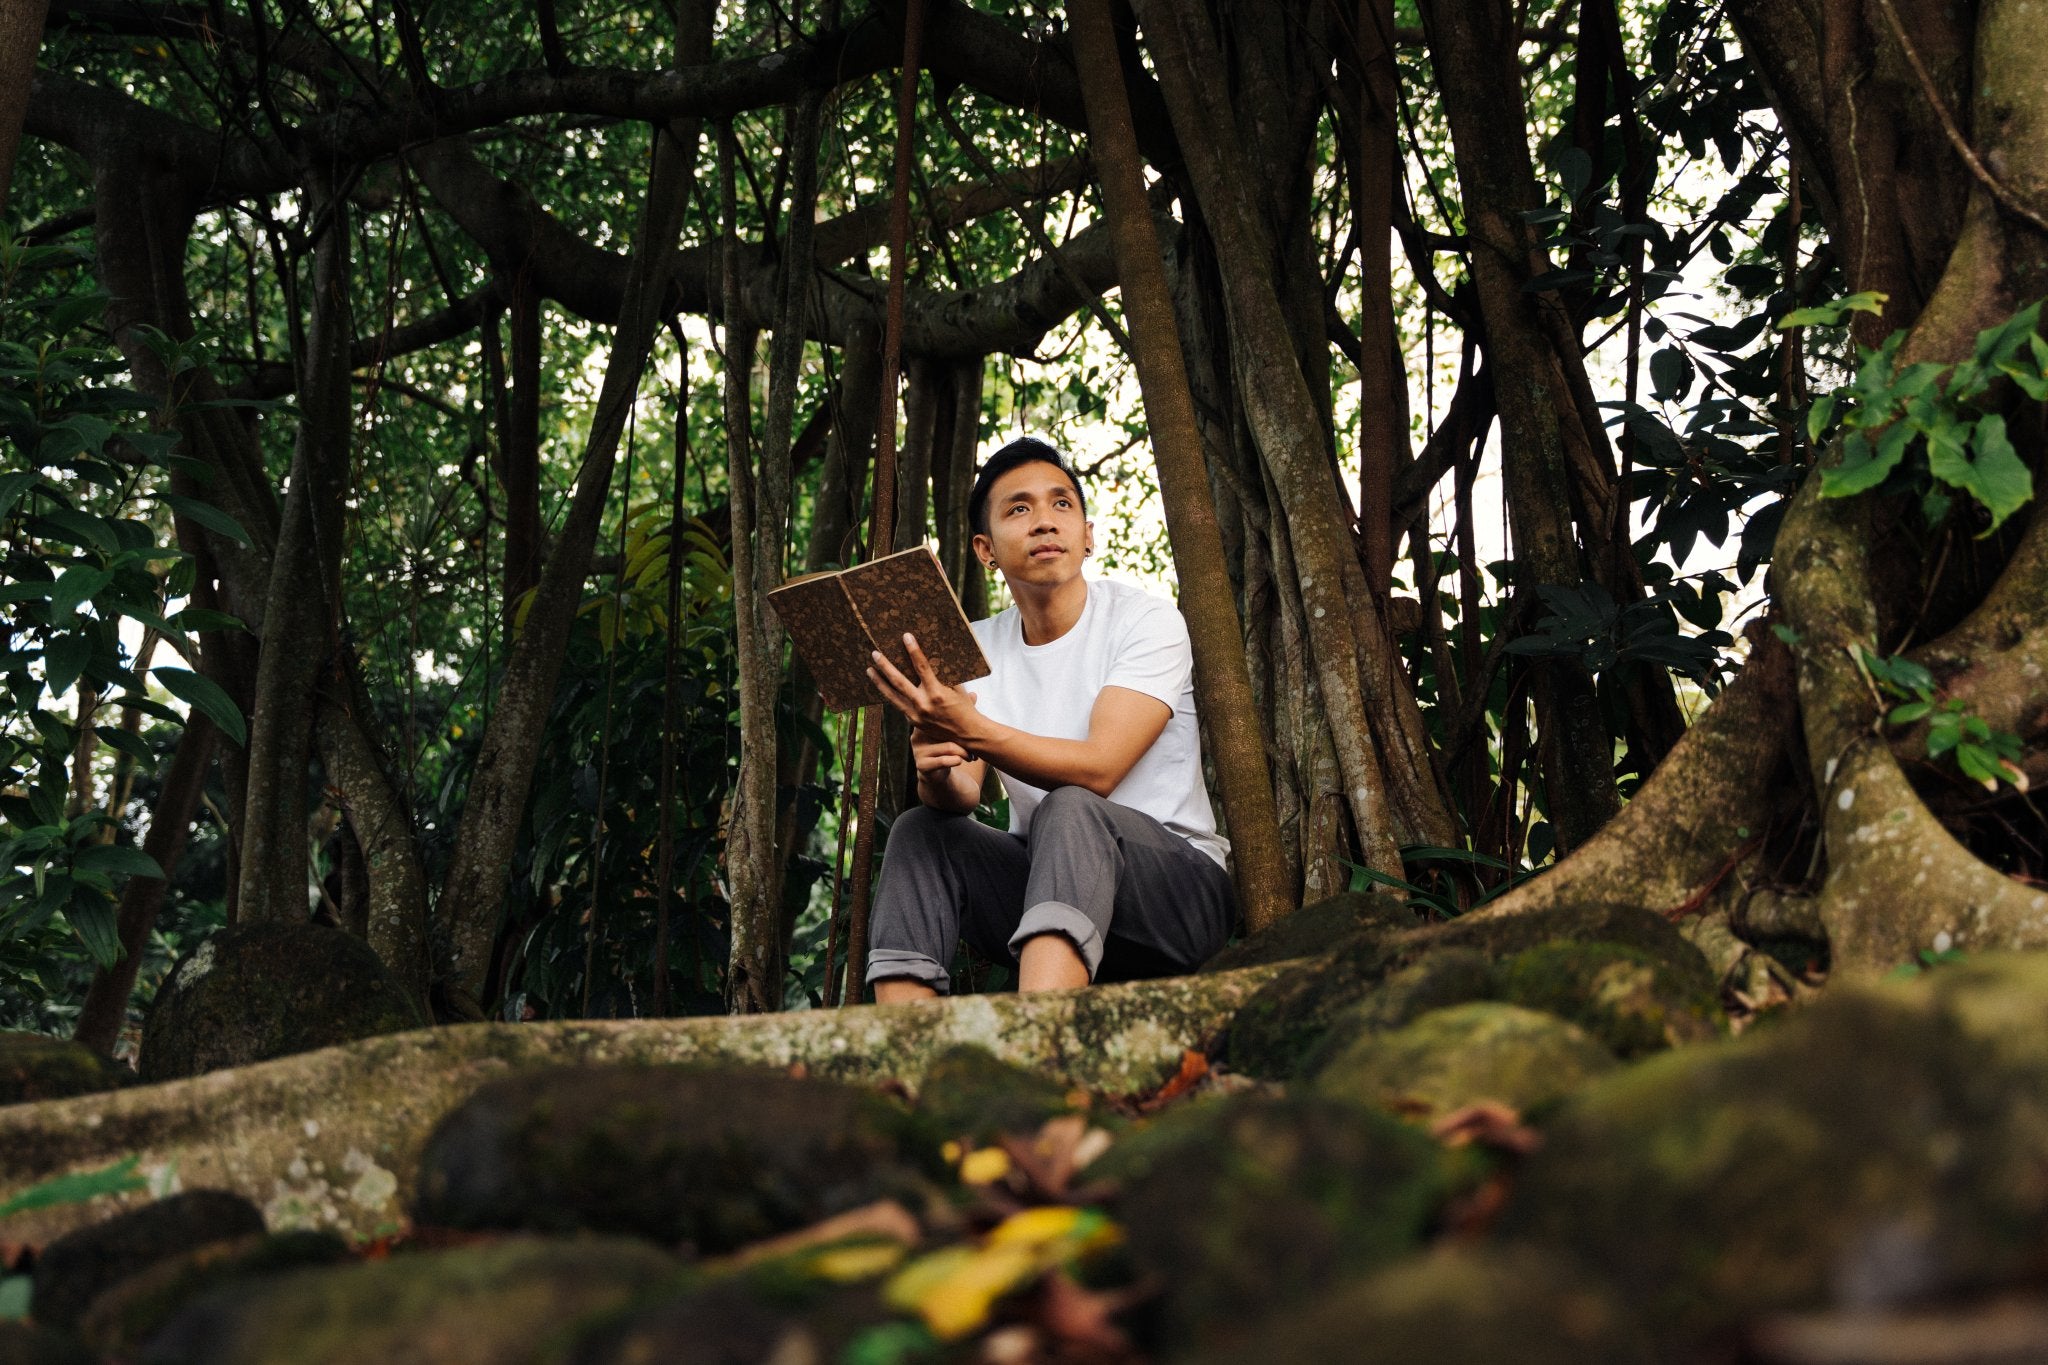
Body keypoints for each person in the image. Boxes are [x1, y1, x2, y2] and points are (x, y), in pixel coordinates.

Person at [863, 436, 1235, 1002]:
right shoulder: (978, 649)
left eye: (1062, 505)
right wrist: (935, 771)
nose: (1044, 522)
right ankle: (901, 1061)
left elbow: (1100, 769)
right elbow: (962, 794)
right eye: (1020, 508)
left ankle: (1038, 1050)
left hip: (1175, 897)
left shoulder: (1145, 621)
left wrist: (969, 728)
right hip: (1049, 888)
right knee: (920, 831)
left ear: (1087, 536)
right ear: (986, 551)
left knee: (1072, 806)